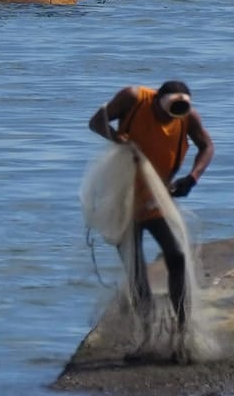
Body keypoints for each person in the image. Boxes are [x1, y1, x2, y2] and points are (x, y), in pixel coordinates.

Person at [89, 80, 214, 331]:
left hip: (156, 198)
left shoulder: (187, 117)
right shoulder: (133, 98)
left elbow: (207, 146)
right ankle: (146, 331)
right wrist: (119, 139)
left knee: (177, 256)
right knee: (136, 269)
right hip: (123, 197)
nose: (166, 118)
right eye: (163, 110)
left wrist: (192, 178)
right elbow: (96, 122)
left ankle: (182, 328)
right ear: (156, 99)